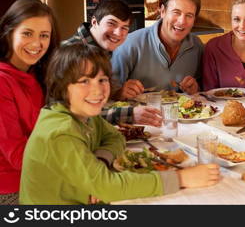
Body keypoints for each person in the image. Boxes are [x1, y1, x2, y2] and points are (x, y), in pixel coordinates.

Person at [19, 43, 220, 204]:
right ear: (61, 86)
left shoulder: (85, 115)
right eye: (84, 81)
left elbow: (114, 136)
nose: (98, 91)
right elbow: (109, 187)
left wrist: (100, 161)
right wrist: (181, 179)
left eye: (102, 80)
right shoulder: (60, 132)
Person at [62, 0, 161, 127]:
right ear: (94, 22)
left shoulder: (102, 49)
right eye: (111, 23)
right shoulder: (73, 54)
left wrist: (117, 93)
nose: (118, 33)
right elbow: (76, 112)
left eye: (124, 28)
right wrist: (130, 114)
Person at [0, 0, 60, 205]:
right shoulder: (2, 82)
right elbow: (19, 156)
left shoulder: (37, 74)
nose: (37, 44)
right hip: (10, 191)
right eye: (27, 33)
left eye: (44, 35)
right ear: (8, 32)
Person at [111, 0, 203, 96]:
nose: (182, 21)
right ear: (163, 11)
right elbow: (106, 94)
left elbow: (202, 89)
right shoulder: (129, 45)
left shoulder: (198, 47)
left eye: (189, 15)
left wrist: (196, 88)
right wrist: (119, 93)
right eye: (176, 12)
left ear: (194, 20)